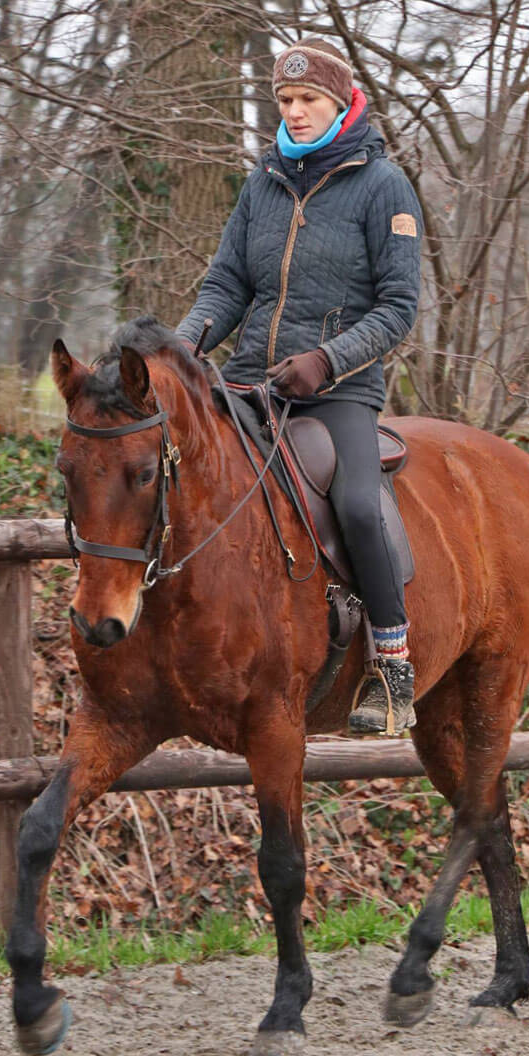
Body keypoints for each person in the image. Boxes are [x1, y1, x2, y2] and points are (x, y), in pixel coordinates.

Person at [175, 37, 422, 733]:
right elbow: (228, 281)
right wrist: (183, 344)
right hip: (250, 378)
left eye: (308, 99)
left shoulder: (383, 186)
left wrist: (326, 359)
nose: (295, 111)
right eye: (285, 101)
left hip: (338, 390)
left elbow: (399, 307)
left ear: (341, 103)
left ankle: (393, 669)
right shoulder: (264, 181)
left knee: (361, 505)